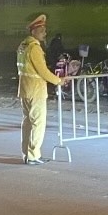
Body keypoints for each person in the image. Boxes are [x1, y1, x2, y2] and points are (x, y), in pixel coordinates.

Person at [17, 14, 66, 165]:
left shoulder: (22, 46)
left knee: (27, 123)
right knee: (38, 123)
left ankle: (26, 153)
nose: (45, 33)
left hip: (24, 89)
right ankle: (33, 155)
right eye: (42, 30)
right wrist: (59, 81)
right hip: (36, 90)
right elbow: (42, 71)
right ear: (34, 31)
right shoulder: (35, 48)